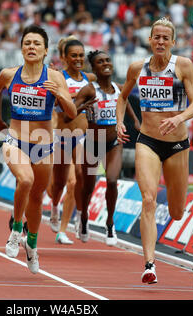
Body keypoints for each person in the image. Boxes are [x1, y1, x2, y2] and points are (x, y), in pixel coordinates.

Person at [0, 25, 77, 274]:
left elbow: (71, 113)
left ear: (45, 50)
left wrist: (60, 94)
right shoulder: (9, 74)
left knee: (38, 198)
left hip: (44, 145)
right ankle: (16, 228)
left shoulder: (55, 77)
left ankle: (32, 245)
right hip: (15, 140)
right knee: (25, 180)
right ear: (21, 48)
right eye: (27, 43)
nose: (31, 47)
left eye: (36, 43)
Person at [116, 17, 193, 284]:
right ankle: (149, 265)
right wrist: (119, 121)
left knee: (176, 212)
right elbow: (122, 96)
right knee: (148, 200)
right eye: (157, 37)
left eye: (166, 38)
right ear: (150, 40)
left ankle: (172, 204)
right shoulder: (136, 68)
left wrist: (178, 118)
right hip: (148, 141)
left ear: (173, 42)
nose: (161, 41)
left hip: (176, 145)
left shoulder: (183, 66)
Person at [74, 50, 140, 246]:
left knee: (112, 181)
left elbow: (124, 101)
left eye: (108, 60)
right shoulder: (88, 90)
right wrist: (80, 109)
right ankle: (84, 218)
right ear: (94, 68)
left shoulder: (119, 88)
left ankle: (109, 223)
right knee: (87, 186)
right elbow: (69, 114)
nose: (105, 63)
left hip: (114, 143)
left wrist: (136, 121)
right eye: (100, 62)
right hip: (93, 141)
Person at [49, 36, 96, 245]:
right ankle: (54, 207)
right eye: (74, 56)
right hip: (60, 136)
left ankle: (64, 228)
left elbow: (107, 82)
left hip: (81, 137)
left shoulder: (89, 78)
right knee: (58, 184)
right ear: (64, 58)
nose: (78, 59)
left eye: (81, 56)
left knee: (77, 180)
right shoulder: (58, 77)